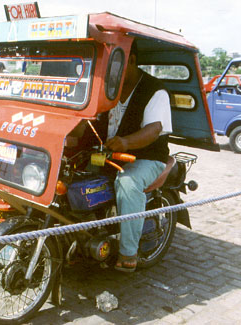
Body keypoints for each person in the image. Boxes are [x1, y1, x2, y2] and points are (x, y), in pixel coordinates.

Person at [101, 41, 173, 272]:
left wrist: (125, 142)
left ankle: (128, 252)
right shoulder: (107, 87)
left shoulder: (155, 90)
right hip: (109, 155)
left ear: (130, 60)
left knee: (127, 183)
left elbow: (154, 130)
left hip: (147, 158)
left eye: (113, 63)